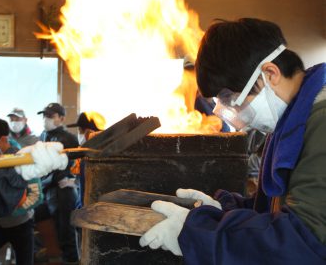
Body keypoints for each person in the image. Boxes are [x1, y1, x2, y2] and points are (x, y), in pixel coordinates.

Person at [139, 18, 326, 264]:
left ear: (270, 74)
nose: (230, 110)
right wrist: (222, 210)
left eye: (229, 97)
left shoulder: (320, 123)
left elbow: (303, 242)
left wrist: (198, 234)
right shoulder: (290, 122)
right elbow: (273, 211)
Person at [0, 119, 69, 265]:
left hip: (21, 223)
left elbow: (36, 196)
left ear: (3, 140)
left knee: (25, 261)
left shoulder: (20, 160)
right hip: (0, 224)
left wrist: (12, 211)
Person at [35, 102, 80, 264]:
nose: (46, 119)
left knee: (65, 228)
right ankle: (54, 255)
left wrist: (73, 181)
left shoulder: (69, 138)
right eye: (44, 115)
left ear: (61, 118)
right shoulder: (43, 135)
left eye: (50, 116)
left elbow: (76, 165)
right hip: (46, 187)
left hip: (63, 189)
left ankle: (71, 260)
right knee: (45, 224)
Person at [66, 111, 104, 206]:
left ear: (89, 132)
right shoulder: (91, 154)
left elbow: (85, 192)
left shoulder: (89, 158)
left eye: (79, 130)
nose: (78, 134)